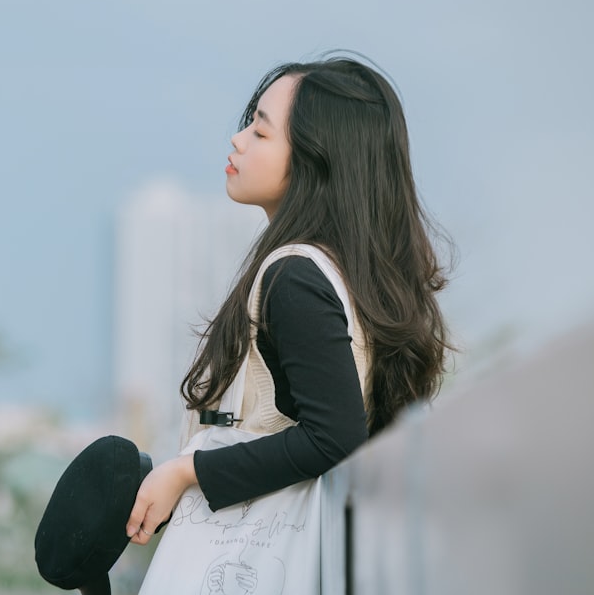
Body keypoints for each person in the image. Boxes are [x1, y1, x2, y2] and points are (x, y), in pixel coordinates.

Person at [125, 54, 450, 543]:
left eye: (260, 132)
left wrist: (186, 471)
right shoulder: (343, 274)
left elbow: (334, 436)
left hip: (264, 564)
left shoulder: (295, 277)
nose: (237, 140)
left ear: (316, 160)